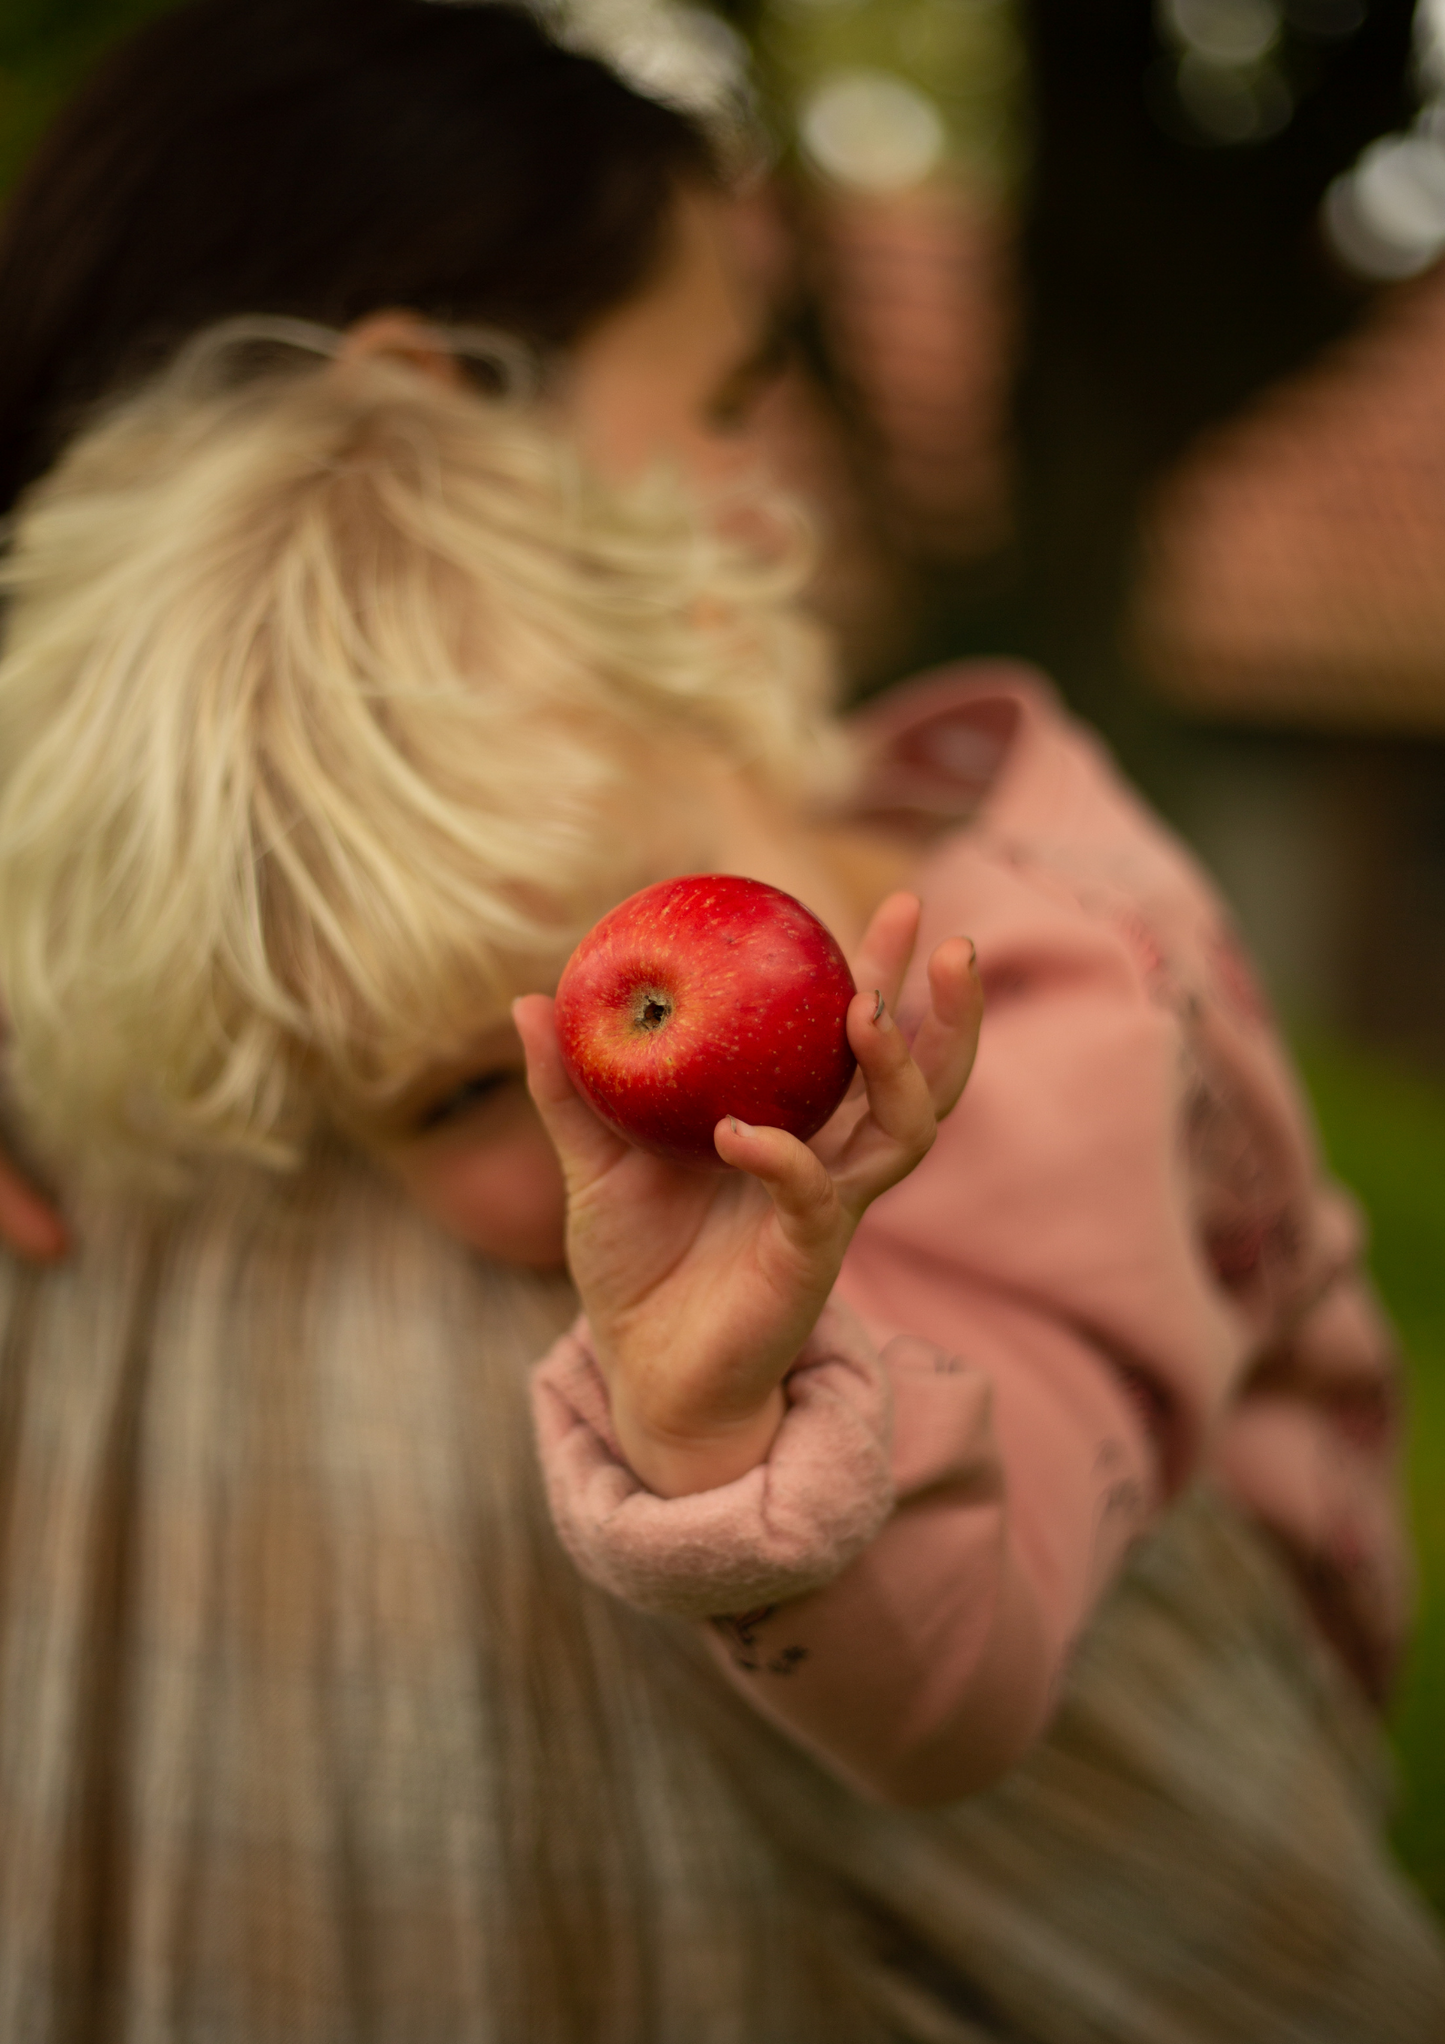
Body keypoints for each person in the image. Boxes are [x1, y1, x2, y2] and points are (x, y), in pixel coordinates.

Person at [0, 2, 1440, 2036]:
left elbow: (974, 1652)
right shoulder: (263, 883)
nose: (770, 481)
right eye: (722, 397)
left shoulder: (986, 984)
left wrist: (718, 1446)